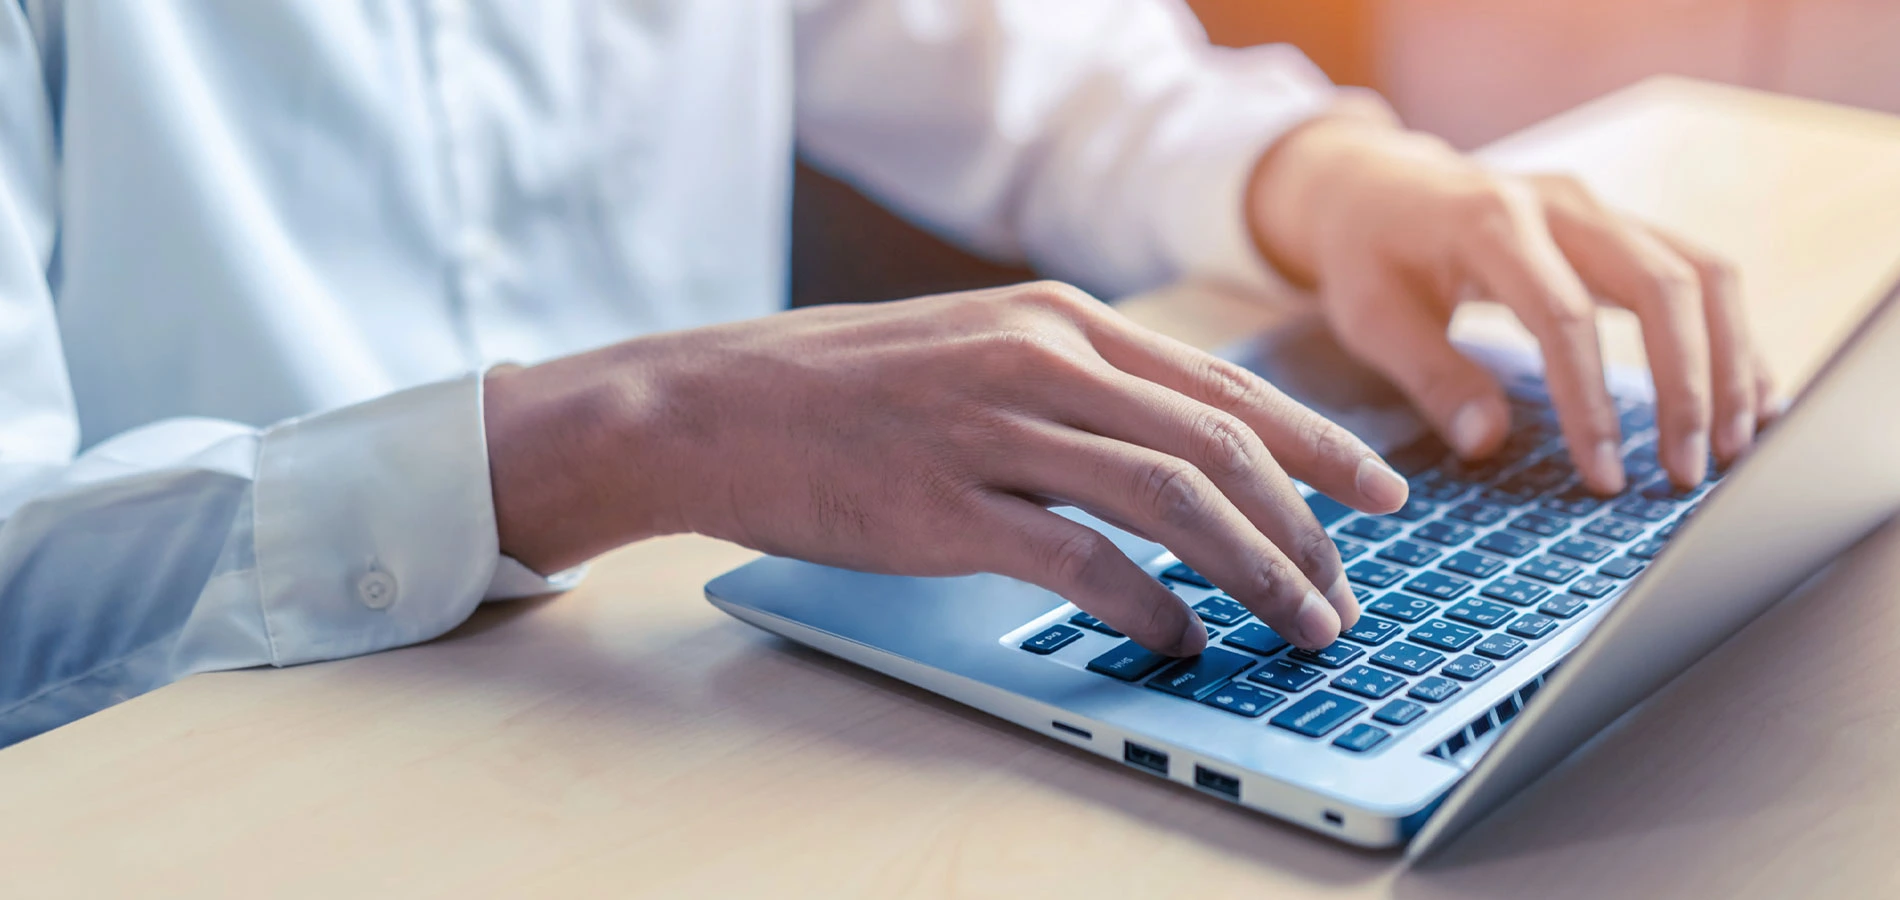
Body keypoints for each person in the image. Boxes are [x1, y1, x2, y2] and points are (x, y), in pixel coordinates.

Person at [0, 0, 1773, 746]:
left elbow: (1030, 63)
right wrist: (628, 433)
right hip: (219, 763)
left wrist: (1316, 175)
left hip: (700, 701)